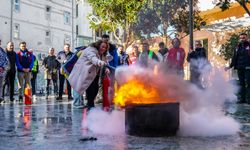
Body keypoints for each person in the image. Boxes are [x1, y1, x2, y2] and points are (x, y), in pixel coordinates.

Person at [68, 40, 110, 110]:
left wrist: (106, 69)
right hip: (82, 72)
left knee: (95, 89)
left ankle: (90, 104)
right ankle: (82, 105)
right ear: (98, 45)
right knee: (79, 88)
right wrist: (99, 62)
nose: (104, 49)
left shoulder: (103, 54)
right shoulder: (91, 49)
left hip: (93, 73)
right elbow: (93, 58)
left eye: (105, 48)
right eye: (102, 47)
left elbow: (104, 63)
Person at [225, 33, 250, 104]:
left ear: (246, 38)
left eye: (243, 38)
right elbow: (234, 58)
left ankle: (249, 99)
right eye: (241, 38)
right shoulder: (237, 47)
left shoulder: (249, 46)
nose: (242, 39)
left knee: (249, 83)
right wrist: (229, 66)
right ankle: (242, 99)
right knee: (242, 84)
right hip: (240, 68)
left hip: (248, 68)